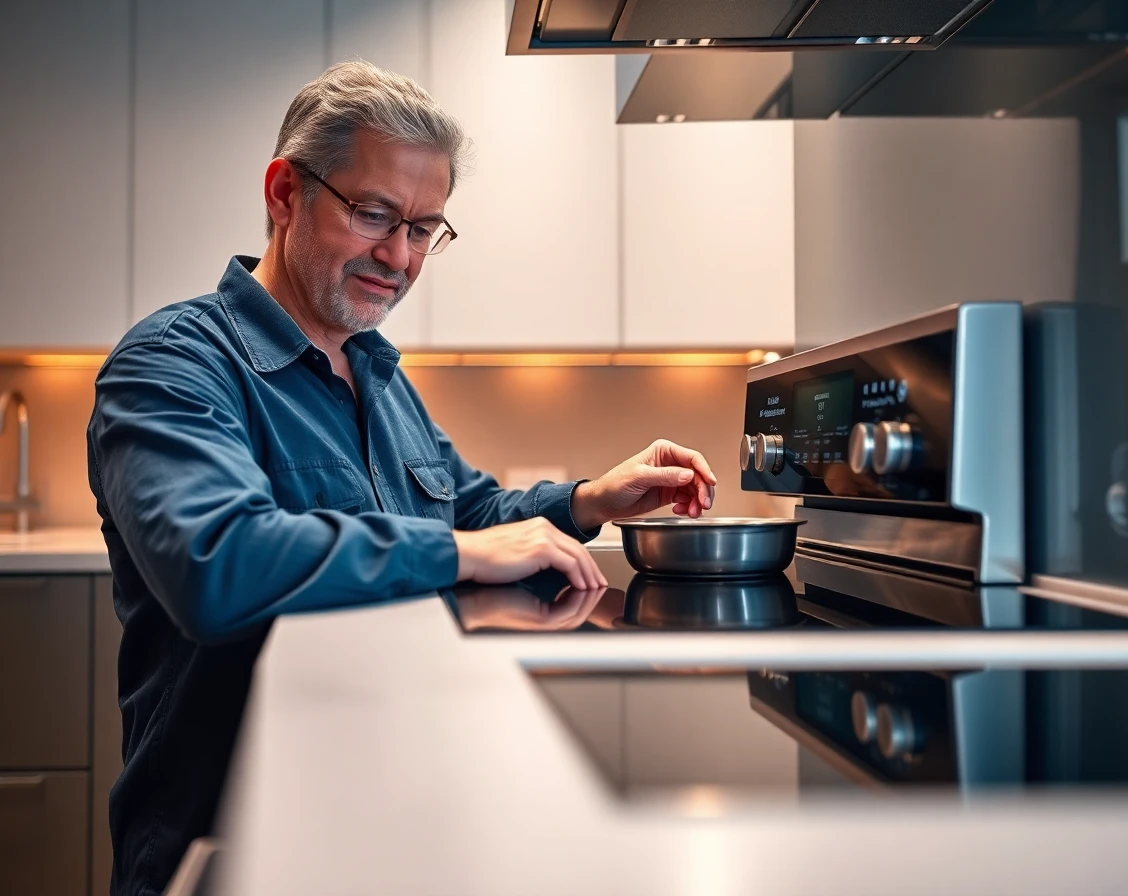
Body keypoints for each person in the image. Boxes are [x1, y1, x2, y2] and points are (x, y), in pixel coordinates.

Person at [87, 61, 716, 895]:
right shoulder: (174, 363)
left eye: (425, 229)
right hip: (230, 845)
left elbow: (474, 511)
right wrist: (458, 551)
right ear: (284, 194)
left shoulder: (376, 371)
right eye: (374, 214)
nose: (399, 255)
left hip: (393, 818)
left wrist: (586, 499)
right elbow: (217, 562)